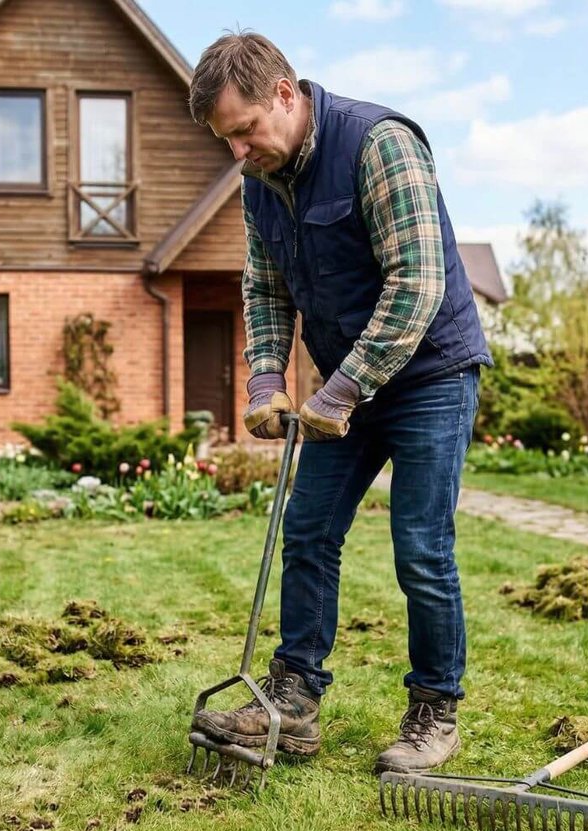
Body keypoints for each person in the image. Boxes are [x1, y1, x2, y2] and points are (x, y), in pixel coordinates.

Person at [186, 31, 492, 774]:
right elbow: (264, 289)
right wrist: (265, 380)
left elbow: (416, 284)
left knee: (421, 546)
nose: (239, 151)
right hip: (340, 387)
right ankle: (291, 702)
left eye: (246, 129)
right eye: (226, 138)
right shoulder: (259, 182)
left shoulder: (378, 145)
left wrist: (343, 386)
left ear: (285, 95)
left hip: (428, 375)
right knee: (310, 529)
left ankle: (434, 710)